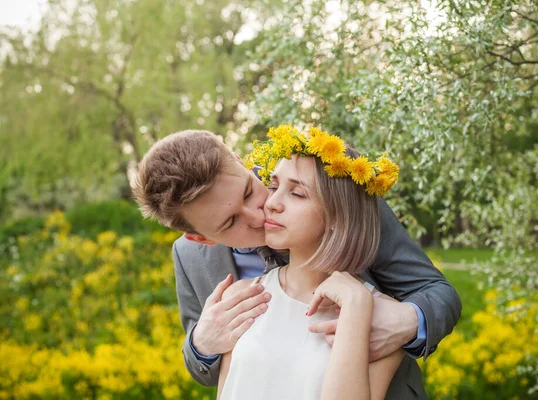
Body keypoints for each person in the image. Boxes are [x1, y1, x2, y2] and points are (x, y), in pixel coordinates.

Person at [132, 127, 462, 399]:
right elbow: (211, 371)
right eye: (231, 222)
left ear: (238, 161)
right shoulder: (192, 259)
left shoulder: (324, 191)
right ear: (201, 238)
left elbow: (436, 291)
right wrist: (202, 344)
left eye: (249, 191)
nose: (262, 211)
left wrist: (402, 321)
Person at [218, 128, 407, 399]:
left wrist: (356, 305)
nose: (272, 203)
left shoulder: (384, 318)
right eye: (273, 186)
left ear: (338, 218)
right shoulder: (241, 297)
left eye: (297, 193)